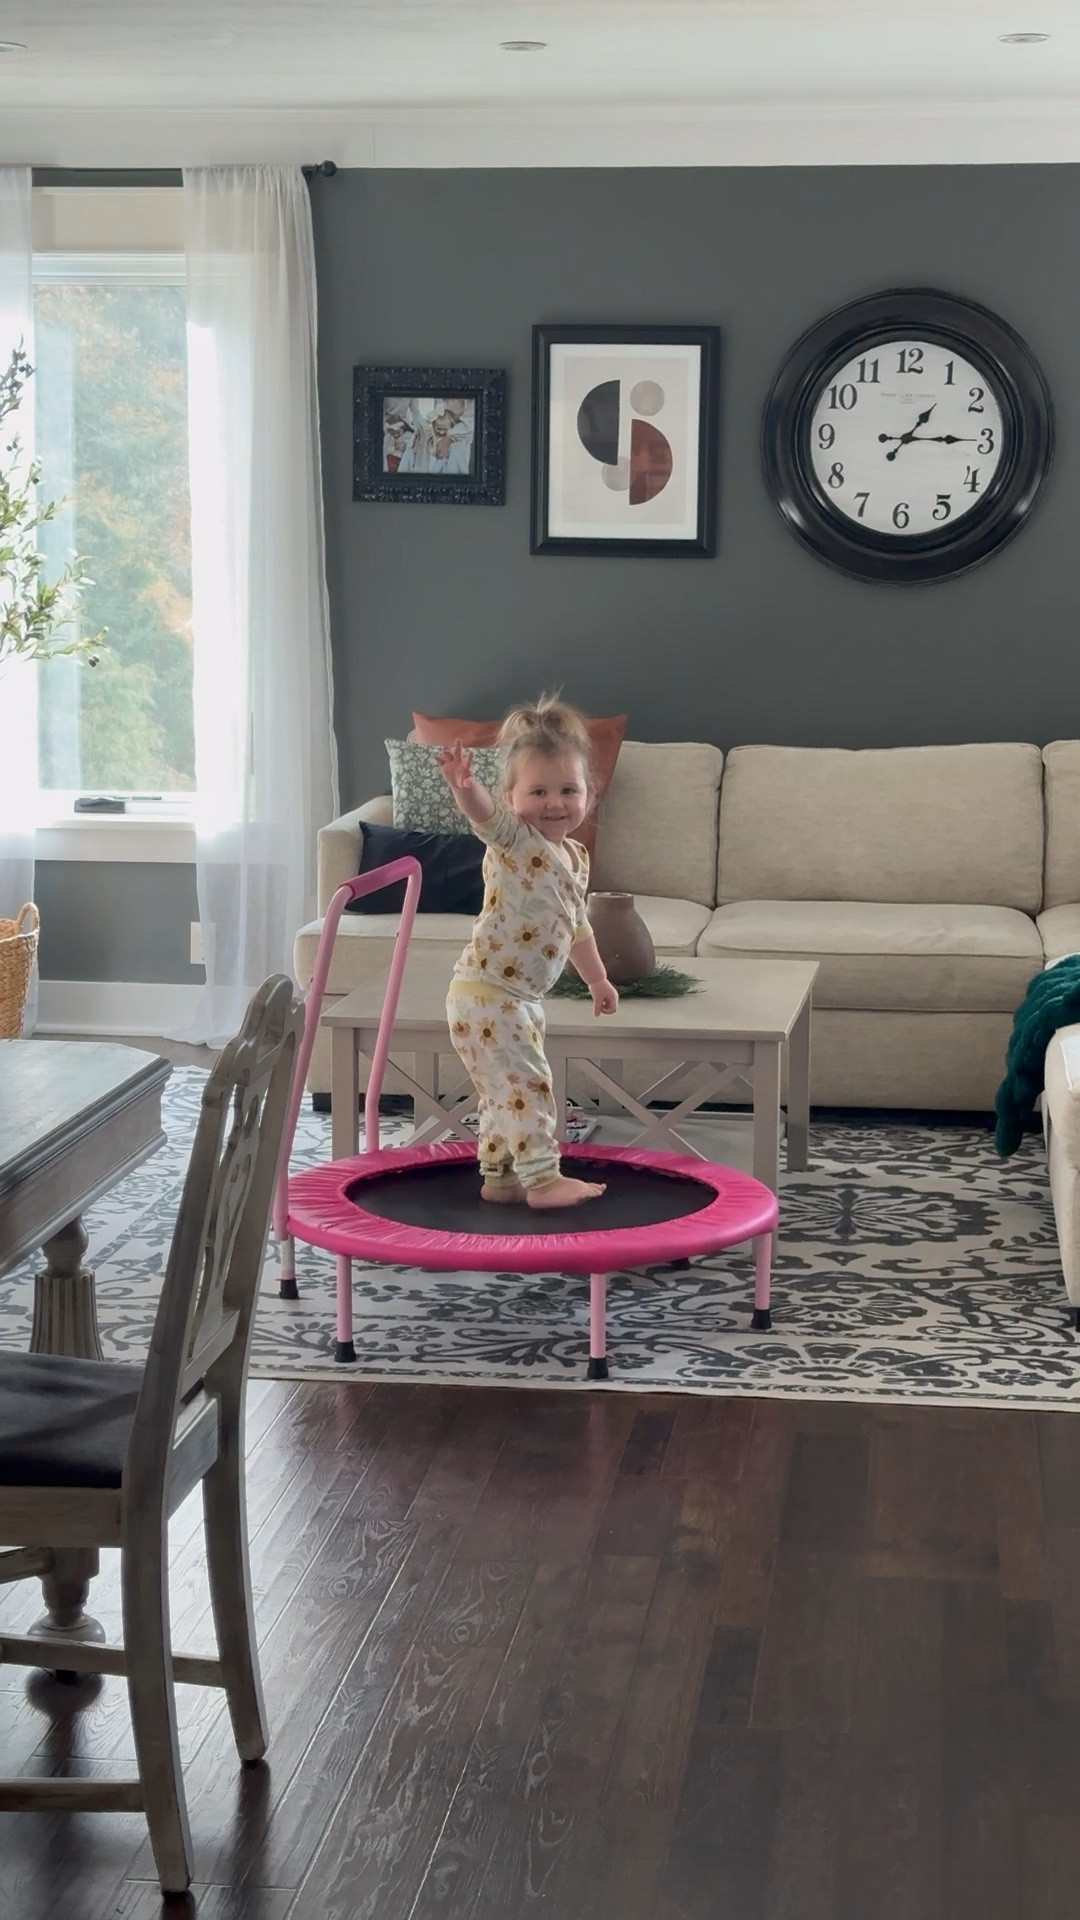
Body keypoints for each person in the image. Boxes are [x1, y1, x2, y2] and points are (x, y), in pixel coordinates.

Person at [438, 696, 618, 1209]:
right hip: (488, 992)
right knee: (530, 1084)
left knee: (504, 1093)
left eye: (569, 790)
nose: (555, 802)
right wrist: (465, 787)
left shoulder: (576, 856)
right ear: (512, 797)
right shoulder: (514, 839)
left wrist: (597, 980)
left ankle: (500, 1177)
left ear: (590, 793)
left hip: (519, 999)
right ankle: (542, 1180)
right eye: (538, 791)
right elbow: (484, 817)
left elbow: (576, 924)